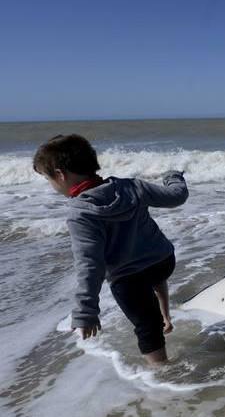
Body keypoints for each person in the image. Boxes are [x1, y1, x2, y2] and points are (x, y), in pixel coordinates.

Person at [33, 134, 188, 364]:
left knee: (147, 327)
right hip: (162, 262)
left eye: (49, 179)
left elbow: (90, 264)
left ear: (61, 175)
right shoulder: (132, 186)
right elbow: (177, 196)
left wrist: (87, 311)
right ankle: (165, 315)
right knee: (147, 266)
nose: (51, 184)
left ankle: (162, 373)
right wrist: (173, 176)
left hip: (129, 280)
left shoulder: (81, 213)